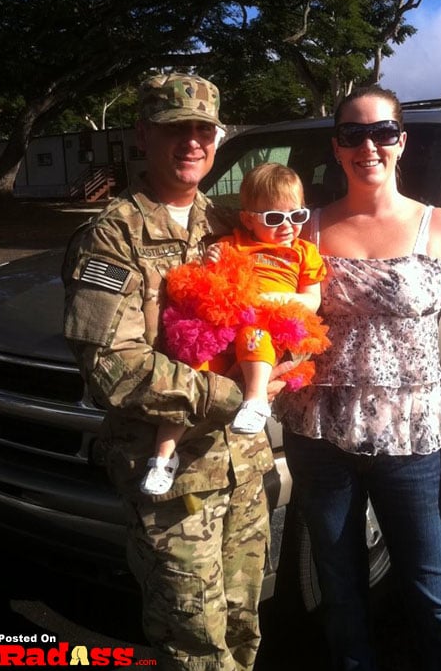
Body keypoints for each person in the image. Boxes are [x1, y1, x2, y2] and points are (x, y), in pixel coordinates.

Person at [62, 72, 292, 671]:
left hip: (242, 466)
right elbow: (115, 367)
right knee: (194, 644)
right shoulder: (113, 234)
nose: (192, 142)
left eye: (203, 130)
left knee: (243, 625)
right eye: (174, 129)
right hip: (173, 483)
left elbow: (269, 304)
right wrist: (242, 391)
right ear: (144, 135)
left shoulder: (226, 224)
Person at [277, 85, 441, 671]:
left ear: (401, 141)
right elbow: (269, 315)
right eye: (352, 134)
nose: (368, 146)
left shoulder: (440, 229)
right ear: (337, 148)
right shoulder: (305, 230)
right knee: (340, 592)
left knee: (432, 592)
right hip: (317, 439)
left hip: (413, 447)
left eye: (382, 132)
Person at [140, 162, 330, 495]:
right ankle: (162, 458)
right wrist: (211, 262)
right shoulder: (235, 242)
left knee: (253, 332)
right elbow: (217, 280)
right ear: (247, 219)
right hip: (229, 323)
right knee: (191, 376)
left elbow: (312, 300)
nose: (287, 226)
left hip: (272, 322)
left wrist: (275, 297)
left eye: (297, 216)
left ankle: (256, 400)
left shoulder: (304, 253)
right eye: (274, 218)